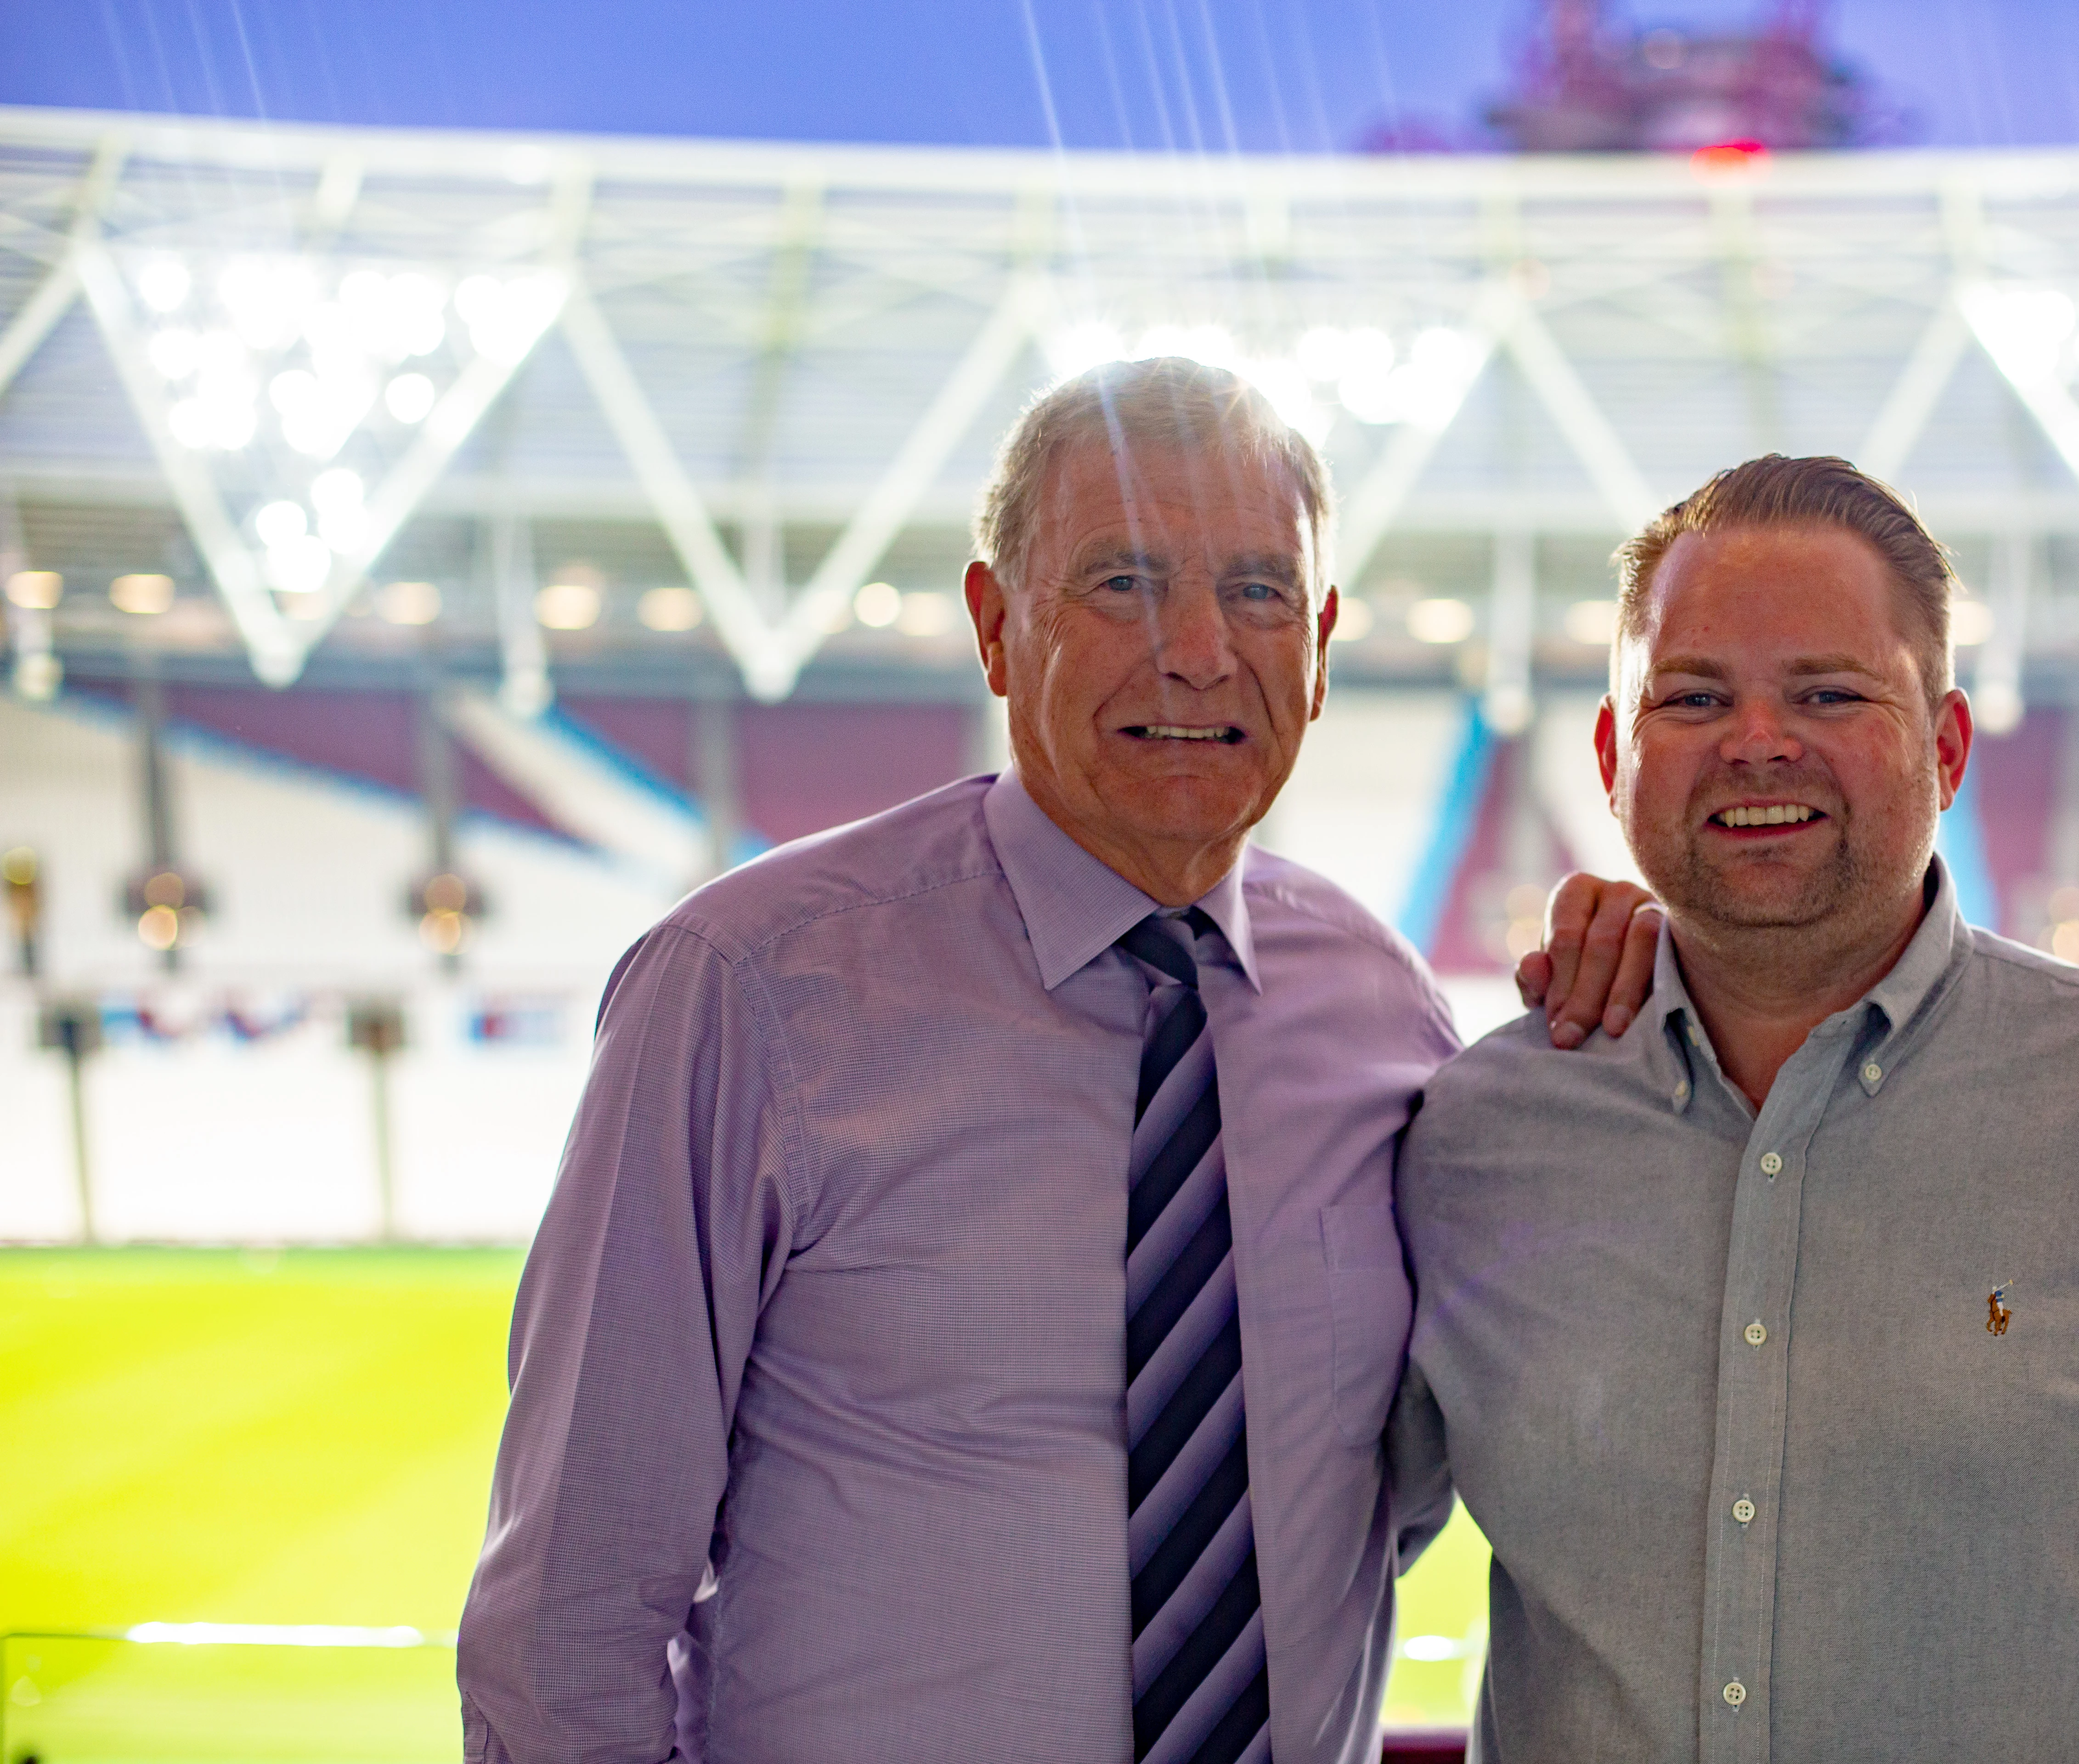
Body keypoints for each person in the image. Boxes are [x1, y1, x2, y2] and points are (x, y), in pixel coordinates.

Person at [455, 358, 1651, 1764]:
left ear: (1320, 645)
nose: (1199, 650)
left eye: (1260, 592)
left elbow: (1368, 1508)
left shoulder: (1382, 1014)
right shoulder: (748, 993)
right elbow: (568, 1616)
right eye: (1125, 584)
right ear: (994, 626)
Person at [1391, 454, 2079, 1763]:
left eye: (1828, 691)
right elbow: (1311, 1554)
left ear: (1946, 746)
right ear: (1613, 753)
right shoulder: (1480, 1138)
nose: (1759, 739)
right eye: (1693, 697)